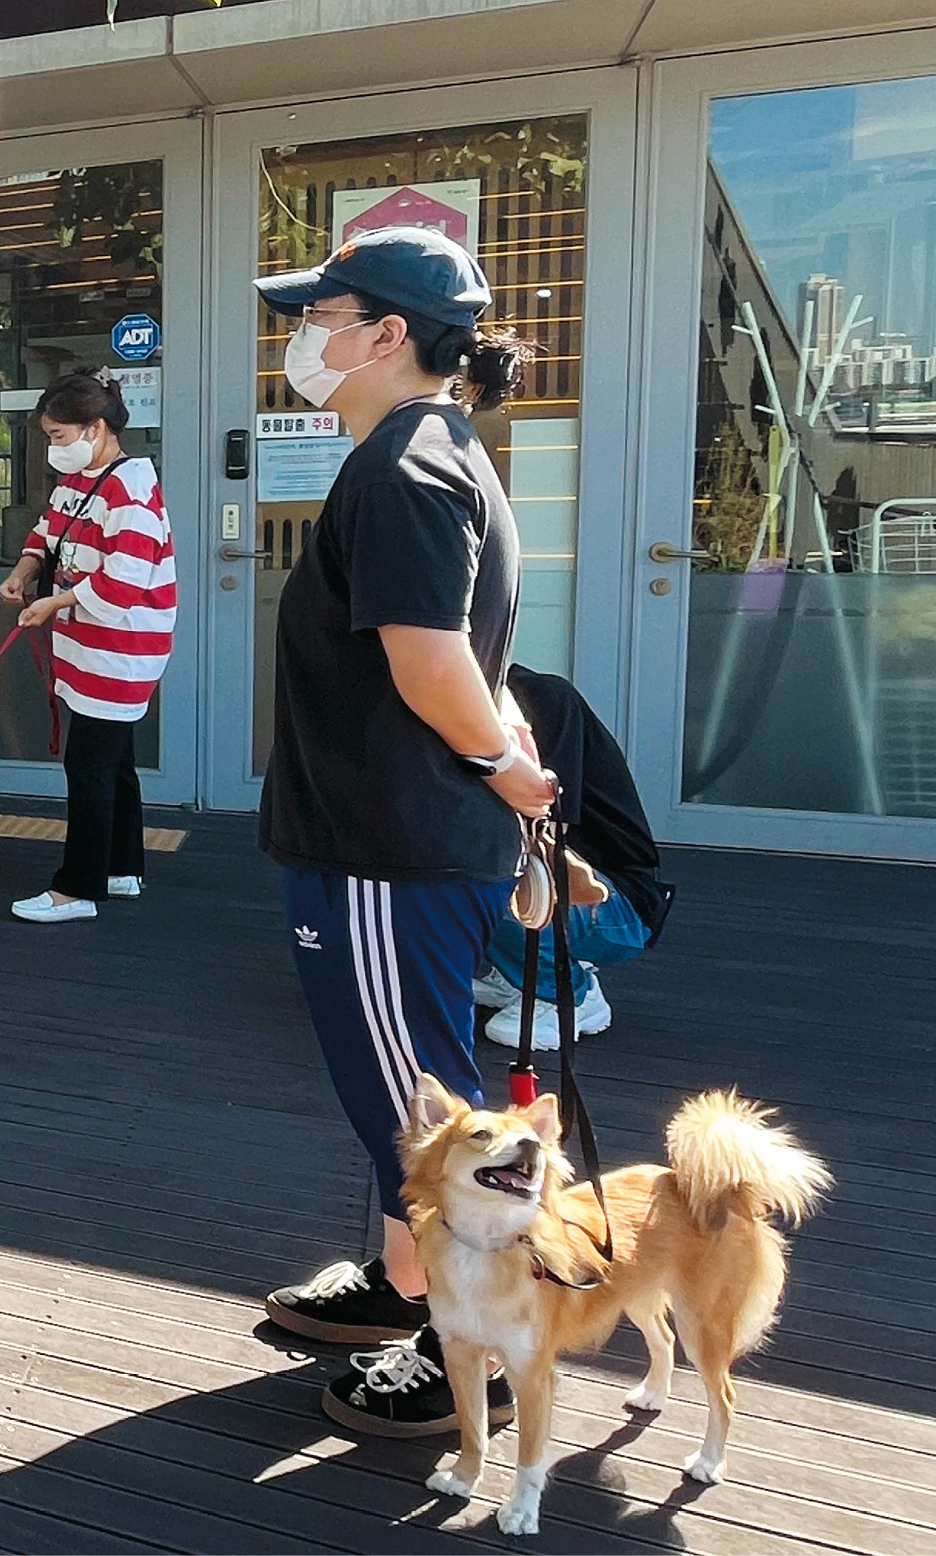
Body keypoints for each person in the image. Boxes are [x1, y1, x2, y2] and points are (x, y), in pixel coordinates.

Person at [242, 228, 562, 1437]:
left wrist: (502, 767)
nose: (300, 338)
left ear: (386, 334)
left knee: (427, 1114)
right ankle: (403, 1280)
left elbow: (435, 663)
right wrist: (511, 758)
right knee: (404, 1098)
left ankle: (456, 1343)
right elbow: (479, 654)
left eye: (317, 314)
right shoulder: (427, 454)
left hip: (384, 850)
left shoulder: (404, 468)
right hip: (387, 843)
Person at [0, 371, 177, 923]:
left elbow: (123, 582)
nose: (54, 448)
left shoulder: (132, 489)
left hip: (119, 648)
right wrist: (26, 572)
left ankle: (77, 888)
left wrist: (52, 603)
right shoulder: (82, 481)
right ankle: (122, 867)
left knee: (89, 765)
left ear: (95, 429)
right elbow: (45, 535)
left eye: (57, 435)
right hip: (88, 642)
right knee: (114, 759)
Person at [472, 664, 673, 1048]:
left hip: (620, 903)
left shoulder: (543, 698)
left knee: (483, 869)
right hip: (562, 886)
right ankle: (516, 973)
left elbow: (548, 828)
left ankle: (565, 995)